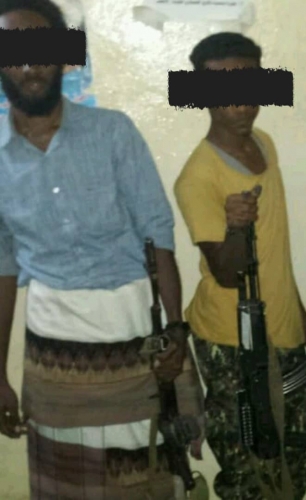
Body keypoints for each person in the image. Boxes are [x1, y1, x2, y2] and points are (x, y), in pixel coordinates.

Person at [0, 1, 203, 498]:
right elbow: (2, 269)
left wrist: (175, 328)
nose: (29, 65)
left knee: (145, 474)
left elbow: (158, 234)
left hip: (133, 335)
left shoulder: (113, 132)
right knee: (68, 484)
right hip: (56, 357)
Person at [174, 32, 306, 500]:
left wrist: (298, 311)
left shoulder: (265, 143)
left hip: (283, 327)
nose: (240, 102)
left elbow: (277, 244)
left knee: (301, 456)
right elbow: (226, 273)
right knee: (247, 473)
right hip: (229, 339)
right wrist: (236, 226)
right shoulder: (197, 177)